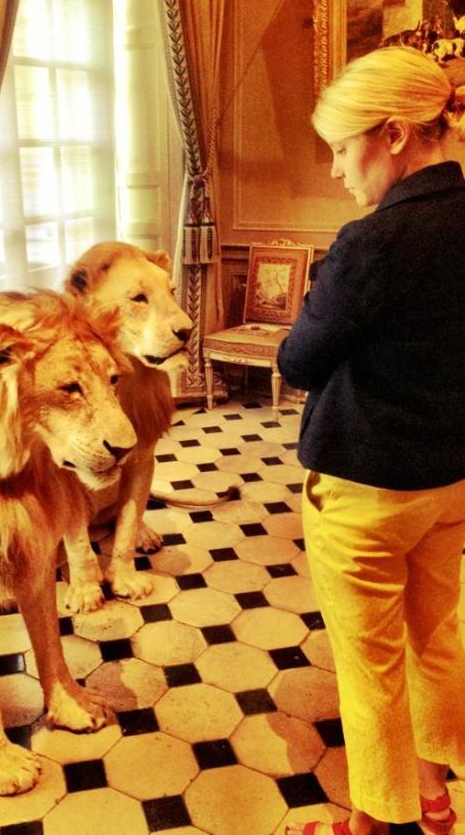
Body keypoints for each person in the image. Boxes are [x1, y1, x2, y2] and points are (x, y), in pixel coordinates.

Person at [277, 46, 465, 835]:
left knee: (370, 664)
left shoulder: (371, 242)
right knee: (436, 638)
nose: (335, 171)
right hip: (452, 480)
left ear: (394, 135)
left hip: (366, 487)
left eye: (342, 147)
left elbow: (297, 359)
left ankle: (371, 823)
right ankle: (434, 793)